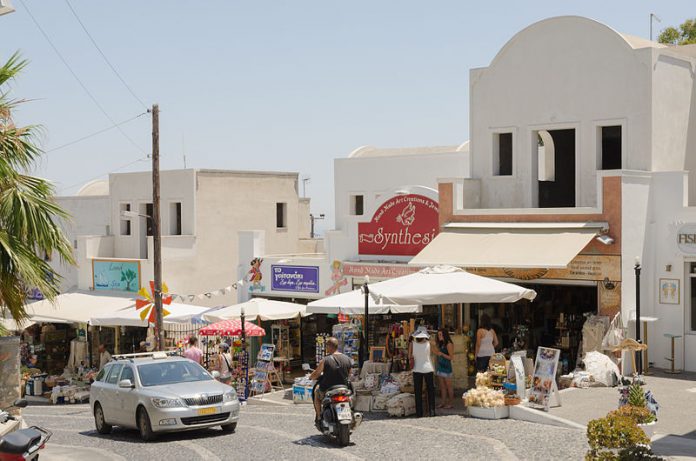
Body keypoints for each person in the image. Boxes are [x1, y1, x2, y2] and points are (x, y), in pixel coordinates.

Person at [309, 336, 352, 429]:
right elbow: (349, 374)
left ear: (329, 346)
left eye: (326, 346)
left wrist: (310, 377)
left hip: (328, 389)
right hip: (343, 388)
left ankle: (319, 416)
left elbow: (317, 373)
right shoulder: (347, 359)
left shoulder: (325, 360)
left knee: (316, 393)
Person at [409, 326, 435, 417]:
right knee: (430, 390)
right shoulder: (429, 343)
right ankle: (432, 411)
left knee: (418, 392)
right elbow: (434, 352)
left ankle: (419, 413)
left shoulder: (412, 344)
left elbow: (410, 356)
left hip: (417, 369)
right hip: (428, 368)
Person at [434, 328, 454, 409]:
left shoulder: (449, 344)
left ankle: (450, 403)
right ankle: (443, 402)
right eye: (438, 335)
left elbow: (451, 357)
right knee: (442, 386)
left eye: (441, 335)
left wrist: (441, 354)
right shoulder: (441, 343)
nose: (439, 336)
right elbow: (437, 353)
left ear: (445, 335)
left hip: (446, 367)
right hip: (440, 367)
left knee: (448, 386)